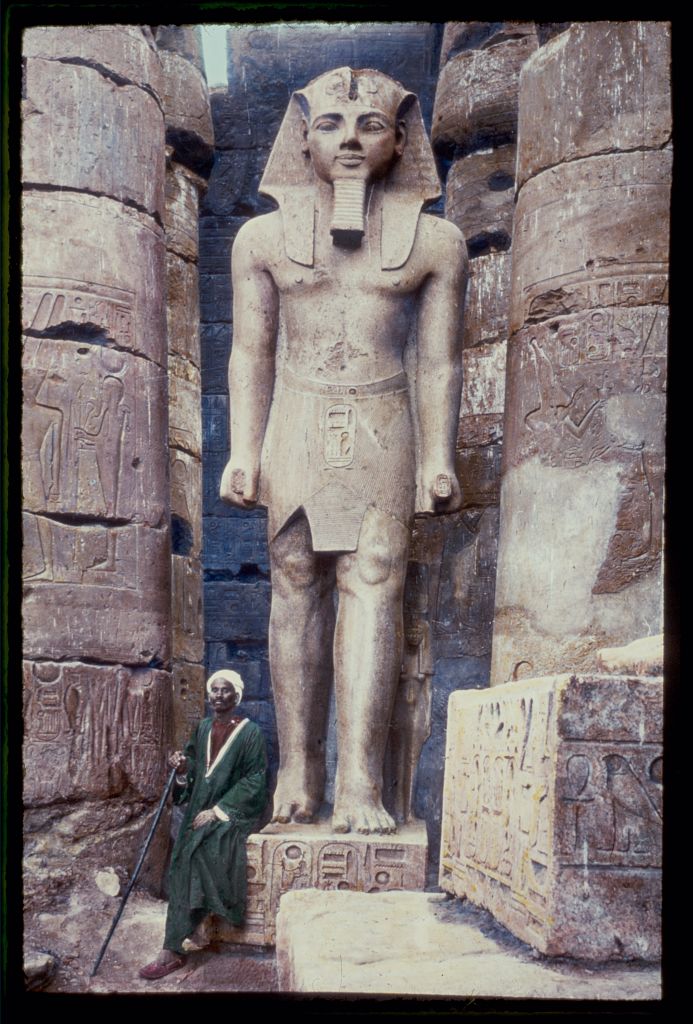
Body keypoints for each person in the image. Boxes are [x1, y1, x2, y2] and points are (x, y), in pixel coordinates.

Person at [220, 67, 466, 836]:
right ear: (303, 137)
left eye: (370, 125)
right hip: (295, 411)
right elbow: (251, 352)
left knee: (377, 579)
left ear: (400, 142)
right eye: (331, 123)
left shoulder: (434, 242)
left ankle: (359, 782)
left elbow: (437, 360)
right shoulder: (261, 238)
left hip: (384, 415)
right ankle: (300, 772)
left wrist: (439, 454)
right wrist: (242, 448)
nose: (351, 139)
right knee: (293, 575)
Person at [139, 670, 268, 979]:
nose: (219, 696)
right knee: (182, 857)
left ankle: (179, 940)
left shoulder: (251, 733)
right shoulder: (202, 728)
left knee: (200, 852)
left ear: (236, 697)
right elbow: (195, 770)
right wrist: (183, 768)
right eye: (214, 691)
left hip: (233, 814)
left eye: (226, 691)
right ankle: (175, 942)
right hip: (199, 811)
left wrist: (219, 810)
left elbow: (255, 780)